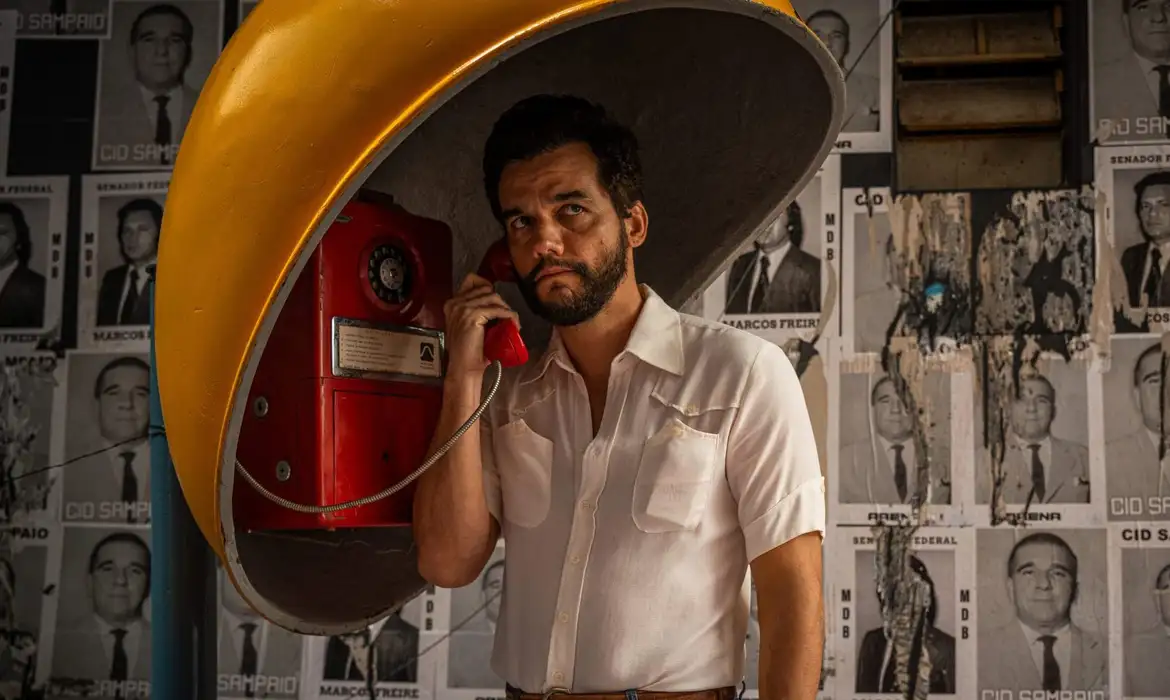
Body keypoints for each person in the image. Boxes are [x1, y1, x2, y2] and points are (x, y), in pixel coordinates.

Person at [413, 94, 826, 699]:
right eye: (521, 222)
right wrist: (463, 376)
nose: (545, 242)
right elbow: (447, 563)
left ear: (632, 224)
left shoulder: (742, 375)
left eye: (571, 210)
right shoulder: (504, 396)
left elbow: (793, 595)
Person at [977, 533, 1106, 692]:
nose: (1044, 584)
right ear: (1011, 588)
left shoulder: (1109, 651)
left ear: (1075, 589)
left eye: (1057, 573)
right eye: (1029, 572)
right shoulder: (978, 652)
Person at [97, 199, 161, 327]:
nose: (132, 238)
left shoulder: (176, 278)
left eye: (142, 229)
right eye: (127, 230)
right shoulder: (112, 279)